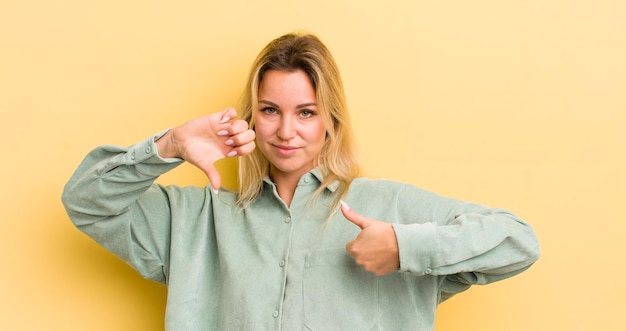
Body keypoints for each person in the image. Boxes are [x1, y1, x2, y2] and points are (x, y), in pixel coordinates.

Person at [62, 31, 540, 330]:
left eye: (305, 113)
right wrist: (168, 145)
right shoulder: (196, 218)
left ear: (330, 120)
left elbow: (519, 241)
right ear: (252, 117)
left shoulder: (389, 208)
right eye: (270, 111)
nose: (285, 131)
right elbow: (85, 201)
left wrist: (405, 247)